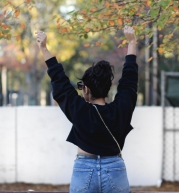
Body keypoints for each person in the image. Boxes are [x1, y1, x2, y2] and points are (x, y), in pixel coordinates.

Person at [37, 26, 138, 193]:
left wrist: (44, 49)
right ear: (107, 89)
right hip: (115, 169)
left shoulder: (79, 110)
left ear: (85, 89)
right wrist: (132, 43)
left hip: (84, 169)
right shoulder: (120, 110)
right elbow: (129, 81)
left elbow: (59, 81)